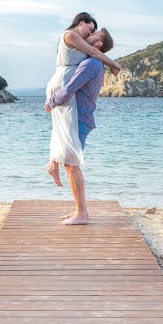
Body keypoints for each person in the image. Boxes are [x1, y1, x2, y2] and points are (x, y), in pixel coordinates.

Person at [45, 27, 114, 225]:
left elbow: (70, 88)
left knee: (71, 165)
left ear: (98, 44)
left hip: (79, 119)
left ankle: (81, 214)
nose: (86, 37)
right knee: (69, 164)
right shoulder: (92, 62)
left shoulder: (91, 64)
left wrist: (50, 103)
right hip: (80, 117)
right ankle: (79, 210)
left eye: (92, 35)